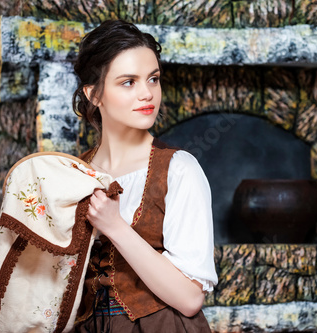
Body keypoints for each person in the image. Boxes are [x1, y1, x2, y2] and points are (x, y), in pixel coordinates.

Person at [71, 19, 218, 332]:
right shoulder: (73, 173)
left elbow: (190, 299)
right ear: (94, 94)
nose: (147, 94)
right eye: (129, 82)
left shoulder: (179, 169)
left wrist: (115, 227)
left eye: (153, 79)